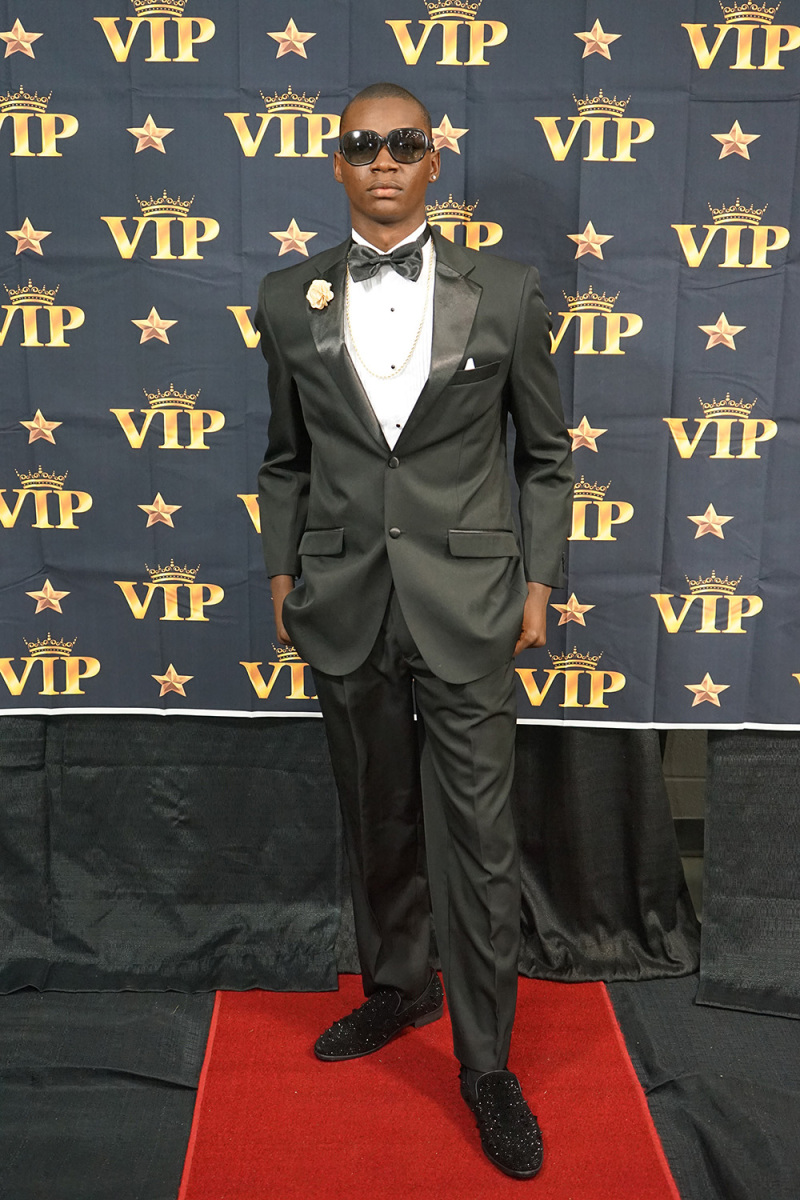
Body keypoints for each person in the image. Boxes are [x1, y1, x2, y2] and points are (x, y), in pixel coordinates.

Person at [255, 82, 573, 1180]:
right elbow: (286, 458)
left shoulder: (508, 293)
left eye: (404, 144)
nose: (383, 160)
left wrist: (538, 586)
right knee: (375, 813)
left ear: (434, 161)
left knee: (477, 842)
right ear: (337, 164)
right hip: (344, 600)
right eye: (363, 145)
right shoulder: (286, 298)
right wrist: (284, 574)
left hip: (471, 603)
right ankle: (397, 990)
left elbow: (545, 457)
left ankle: (486, 1066)